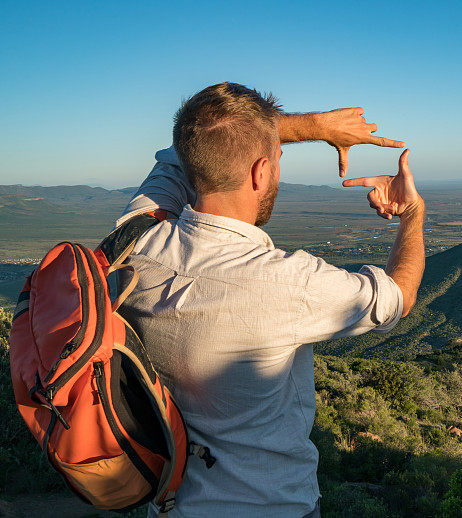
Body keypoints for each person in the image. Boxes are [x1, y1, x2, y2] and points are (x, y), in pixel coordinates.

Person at [113, 82, 425, 517]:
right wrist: (411, 214)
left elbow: (186, 147)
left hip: (169, 506)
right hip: (272, 506)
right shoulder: (287, 284)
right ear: (261, 173)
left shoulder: (135, 238)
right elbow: (399, 296)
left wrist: (312, 127)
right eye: (276, 159)